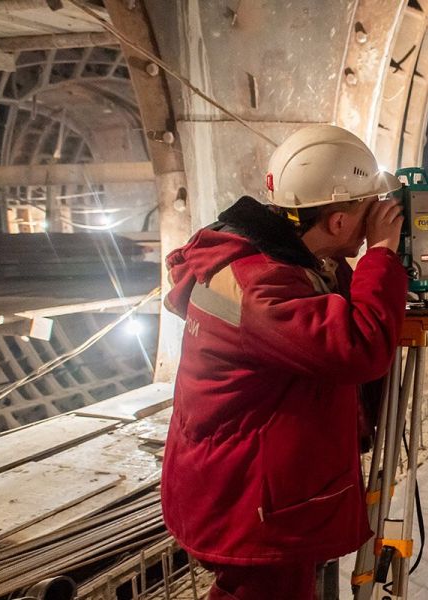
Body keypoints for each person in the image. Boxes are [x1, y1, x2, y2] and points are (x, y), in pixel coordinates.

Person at [160, 124, 408, 599]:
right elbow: (361, 348)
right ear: (337, 222)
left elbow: (325, 306)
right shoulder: (262, 286)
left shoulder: (275, 260)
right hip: (250, 502)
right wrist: (381, 254)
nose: (376, 217)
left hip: (240, 484)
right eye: (365, 210)